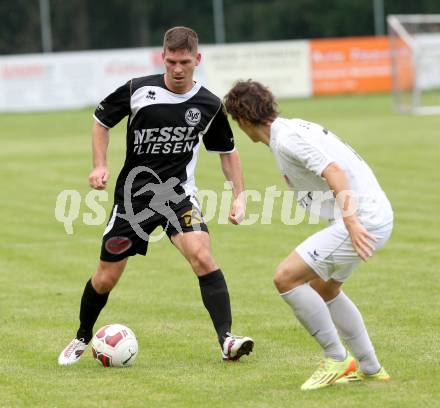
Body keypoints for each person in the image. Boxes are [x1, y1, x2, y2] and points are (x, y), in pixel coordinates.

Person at [58, 27, 254, 365]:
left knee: (203, 256)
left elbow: (227, 151)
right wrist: (99, 165)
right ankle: (81, 337)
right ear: (162, 57)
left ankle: (227, 340)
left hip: (178, 196)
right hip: (132, 200)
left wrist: (239, 195)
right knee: (106, 277)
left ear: (198, 60)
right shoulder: (138, 90)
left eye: (185, 62)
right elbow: (101, 121)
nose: (178, 69)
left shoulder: (208, 104)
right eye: (172, 61)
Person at [224, 80, 393, 390]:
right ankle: (370, 367)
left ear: (243, 120)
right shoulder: (286, 131)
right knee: (324, 289)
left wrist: (353, 223)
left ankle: (336, 358)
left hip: (363, 217)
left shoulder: (287, 139)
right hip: (373, 214)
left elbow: (335, 172)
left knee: (285, 278)